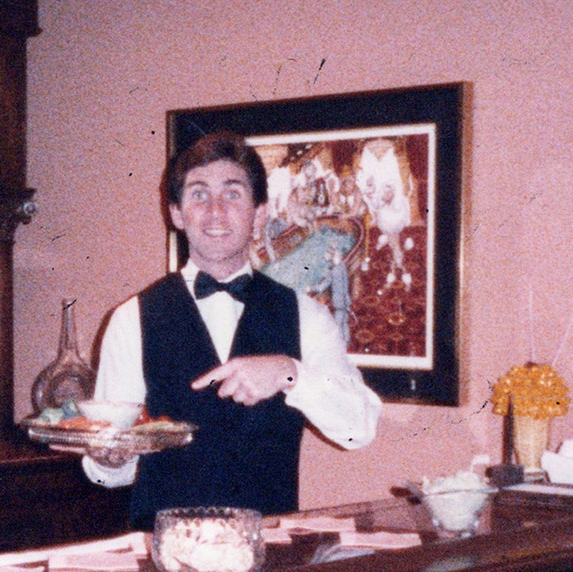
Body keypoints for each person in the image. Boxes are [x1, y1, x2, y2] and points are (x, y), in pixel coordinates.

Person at [83, 132, 382, 530]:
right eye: (199, 194)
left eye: (233, 194)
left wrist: (289, 372)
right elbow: (110, 471)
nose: (216, 212)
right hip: (163, 560)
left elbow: (358, 429)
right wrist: (110, 457)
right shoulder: (130, 318)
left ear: (260, 214)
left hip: (267, 560)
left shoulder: (307, 316)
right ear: (176, 212)